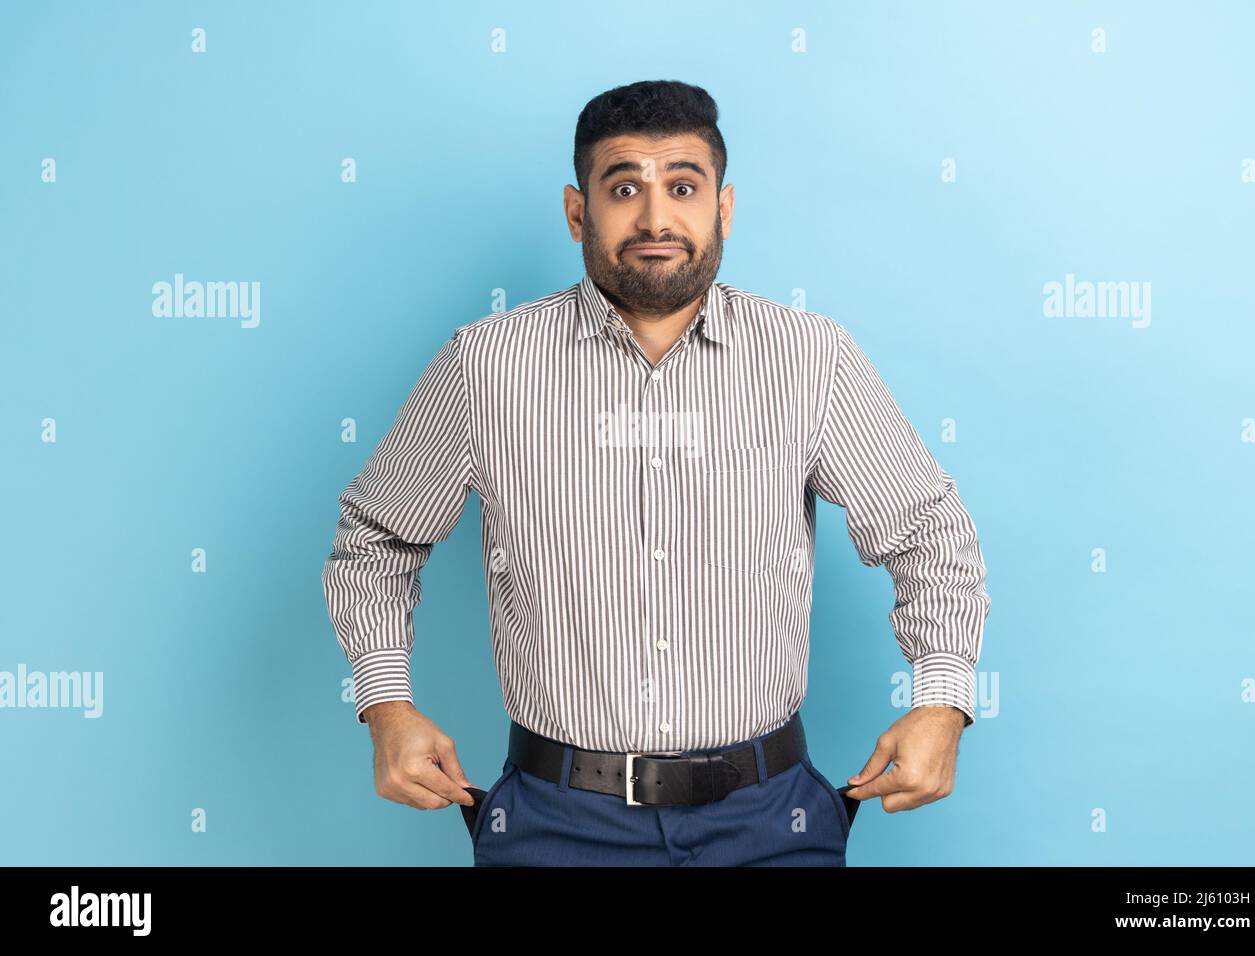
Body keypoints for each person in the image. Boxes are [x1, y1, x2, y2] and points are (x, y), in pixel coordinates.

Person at [321, 79, 991, 866]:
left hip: (771, 822)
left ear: (724, 208)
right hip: (555, 823)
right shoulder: (486, 366)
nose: (654, 218)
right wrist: (387, 705)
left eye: (682, 186)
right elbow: (375, 540)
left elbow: (927, 531)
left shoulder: (811, 360)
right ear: (579, 211)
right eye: (624, 187)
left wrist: (942, 702)